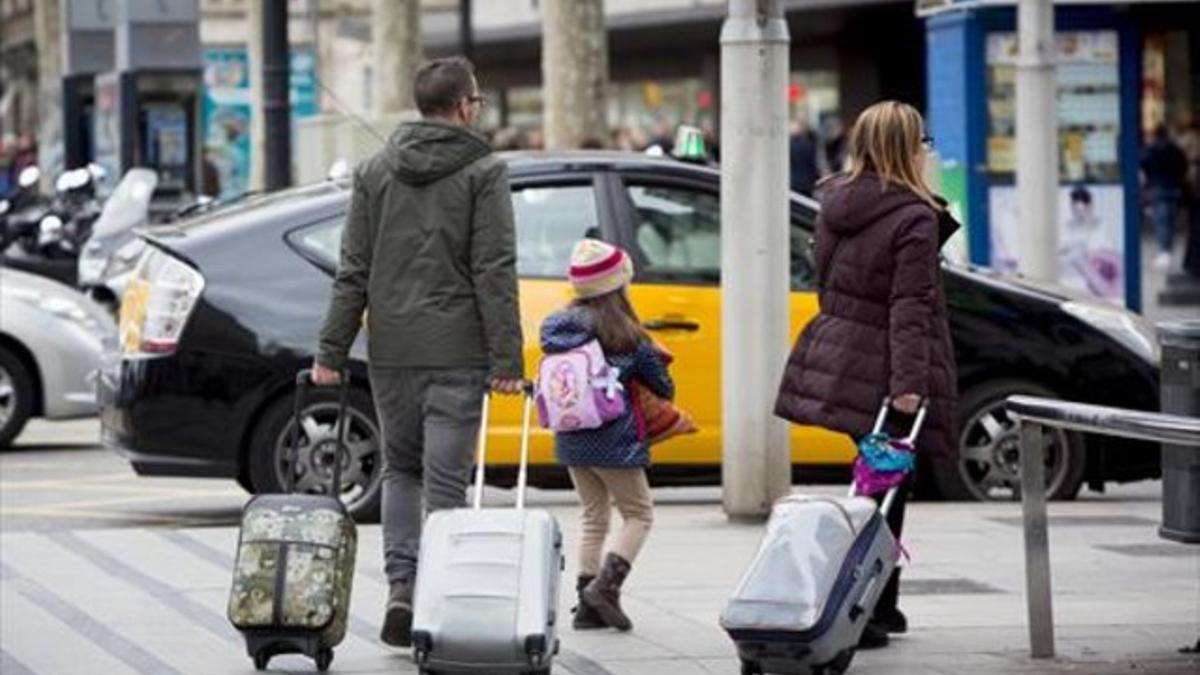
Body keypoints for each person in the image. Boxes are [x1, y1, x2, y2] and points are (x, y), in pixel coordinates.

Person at [312, 56, 526, 648]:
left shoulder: (375, 170)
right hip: (457, 351)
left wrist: (330, 350)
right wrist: (508, 361)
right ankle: (435, 599)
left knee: (399, 470)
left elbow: (352, 269)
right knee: (448, 485)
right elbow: (494, 270)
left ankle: (401, 588)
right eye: (476, 101)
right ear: (462, 106)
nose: (477, 110)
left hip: (392, 351)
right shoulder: (484, 171)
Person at [774, 101, 959, 650]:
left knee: (881, 484)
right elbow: (911, 304)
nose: (929, 151)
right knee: (885, 492)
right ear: (908, 147)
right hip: (885, 366)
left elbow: (826, 280)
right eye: (923, 142)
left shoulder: (835, 202)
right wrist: (907, 384)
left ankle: (884, 603)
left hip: (843, 352)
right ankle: (866, 607)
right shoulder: (913, 218)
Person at [540, 239, 674, 633]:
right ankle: (605, 589)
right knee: (638, 514)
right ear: (619, 285)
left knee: (593, 517)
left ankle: (586, 607)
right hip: (615, 440)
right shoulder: (628, 337)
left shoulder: (558, 331)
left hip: (572, 438)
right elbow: (664, 389)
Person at [1140, 124, 1188, 271]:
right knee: (1171, 221)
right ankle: (1168, 250)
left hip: (1157, 188)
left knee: (1161, 221)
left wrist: (1148, 181)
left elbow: (1144, 165)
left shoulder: (1151, 150)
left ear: (1155, 134)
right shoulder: (1175, 150)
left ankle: (1164, 252)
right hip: (1173, 188)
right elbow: (1183, 166)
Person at [789, 119, 820, 197]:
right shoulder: (809, 145)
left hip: (792, 182)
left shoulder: (789, 146)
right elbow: (813, 164)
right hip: (807, 183)